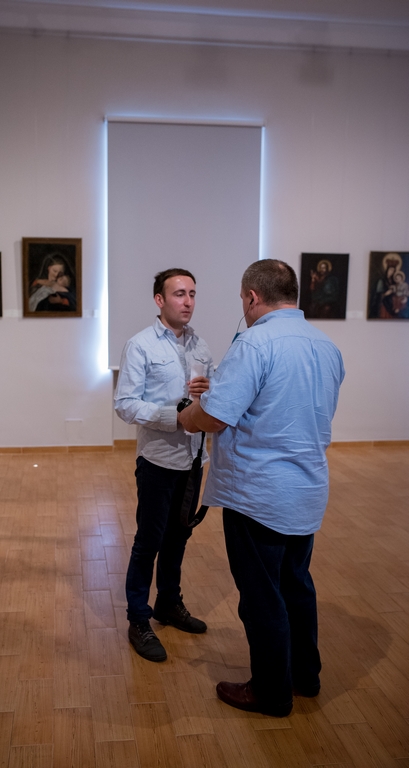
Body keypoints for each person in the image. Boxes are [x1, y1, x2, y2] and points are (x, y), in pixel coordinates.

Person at [179, 259, 344, 716]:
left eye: (242, 300)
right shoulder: (326, 346)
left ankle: (271, 691)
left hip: (258, 493)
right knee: (296, 586)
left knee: (261, 597)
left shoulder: (255, 343)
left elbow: (215, 416)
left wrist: (187, 415)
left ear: (252, 297)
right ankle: (304, 676)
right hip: (306, 489)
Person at [115, 268, 213, 662]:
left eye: (192, 294)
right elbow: (125, 404)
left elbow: (210, 397)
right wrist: (175, 416)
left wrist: (209, 393)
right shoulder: (139, 345)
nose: (188, 301)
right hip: (158, 460)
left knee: (179, 537)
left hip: (193, 458)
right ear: (159, 300)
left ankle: (168, 603)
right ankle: (138, 619)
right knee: (149, 542)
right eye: (179, 294)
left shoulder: (201, 346)